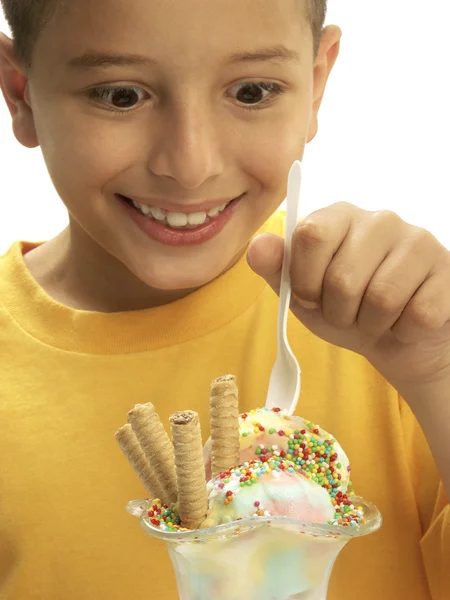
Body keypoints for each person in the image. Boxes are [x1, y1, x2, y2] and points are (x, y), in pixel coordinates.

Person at [0, 0, 448, 598]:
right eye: (120, 96)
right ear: (21, 94)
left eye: (253, 91)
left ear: (315, 86)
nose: (190, 165)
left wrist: (438, 373)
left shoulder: (400, 328)